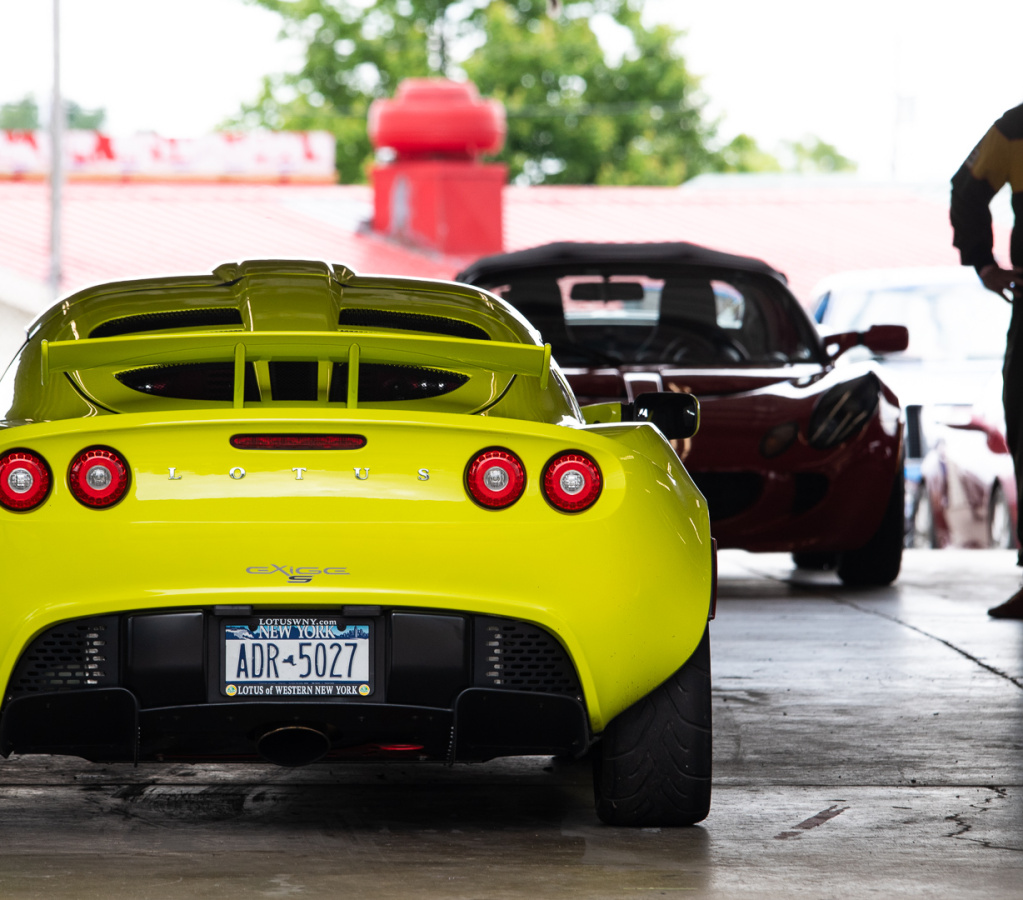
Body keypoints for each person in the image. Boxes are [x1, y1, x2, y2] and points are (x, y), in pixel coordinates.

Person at [951, 102, 1023, 618]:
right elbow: (967, 188)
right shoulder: (1017, 127)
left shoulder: (1017, 126)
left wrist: (983, 262)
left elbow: (967, 187)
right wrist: (981, 260)